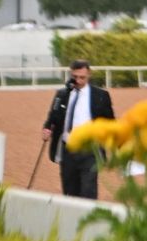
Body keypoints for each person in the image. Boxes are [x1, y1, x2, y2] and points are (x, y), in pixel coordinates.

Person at [41, 60, 116, 200]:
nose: (79, 81)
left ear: (89, 75)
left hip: (90, 150)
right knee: (70, 192)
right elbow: (53, 116)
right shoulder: (62, 94)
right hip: (67, 150)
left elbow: (111, 121)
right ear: (71, 74)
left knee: (88, 190)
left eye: (82, 77)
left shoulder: (101, 96)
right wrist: (46, 128)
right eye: (75, 77)